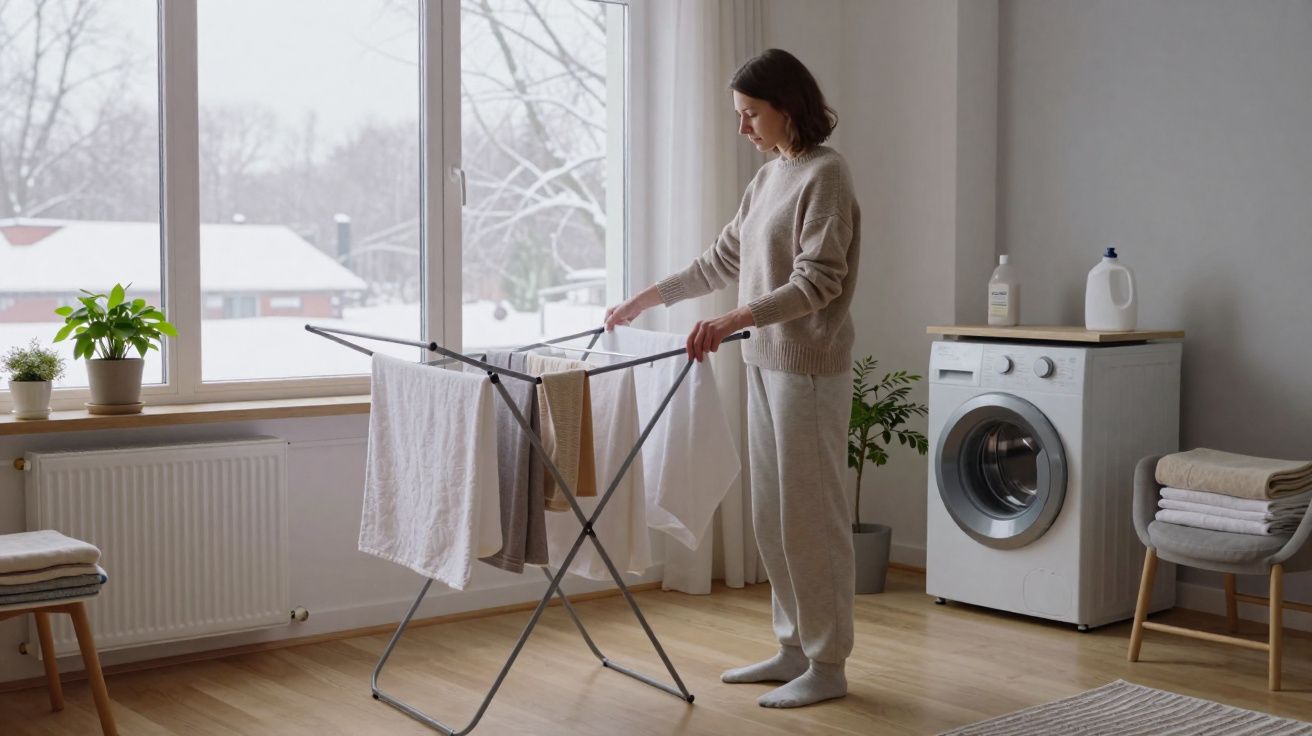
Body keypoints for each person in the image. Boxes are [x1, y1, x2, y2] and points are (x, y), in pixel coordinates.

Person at [604, 48, 860, 709]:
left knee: (812, 518)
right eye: (738, 115)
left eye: (750, 114)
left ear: (787, 107)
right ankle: (792, 648)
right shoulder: (768, 179)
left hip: (807, 370)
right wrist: (643, 301)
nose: (741, 127)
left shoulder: (825, 176)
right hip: (763, 362)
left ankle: (829, 664)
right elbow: (721, 260)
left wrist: (737, 317)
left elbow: (819, 281)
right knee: (773, 517)